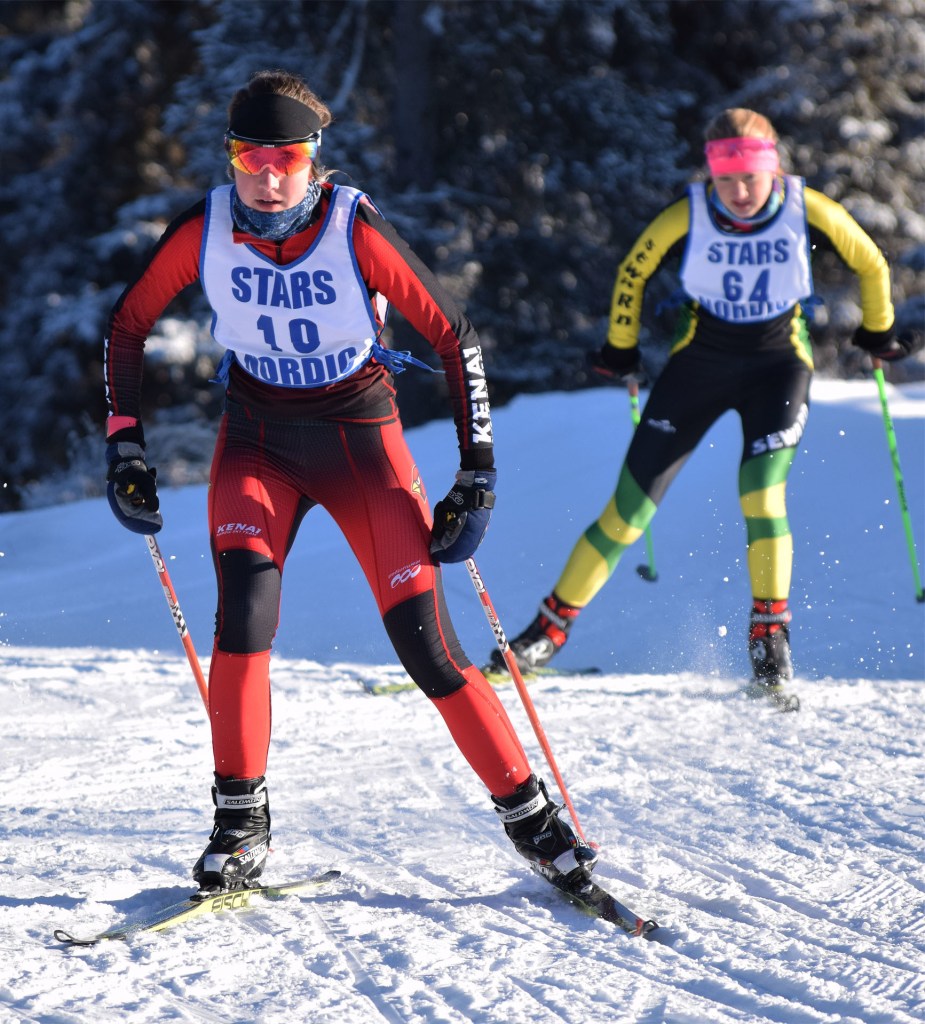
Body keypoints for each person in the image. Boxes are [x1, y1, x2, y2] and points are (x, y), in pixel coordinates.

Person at [103, 69, 597, 892]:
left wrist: (477, 473)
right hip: (258, 440)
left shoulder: (350, 226)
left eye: (285, 158)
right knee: (244, 616)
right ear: (229, 158)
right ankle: (239, 820)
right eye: (249, 156)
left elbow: (454, 335)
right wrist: (125, 446)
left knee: (426, 646)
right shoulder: (204, 228)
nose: (267, 176)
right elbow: (127, 324)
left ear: (313, 160)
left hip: (359, 438)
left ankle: (533, 821)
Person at [492, 107, 917, 711]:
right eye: (726, 181)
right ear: (709, 177)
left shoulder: (804, 208)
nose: (740, 193)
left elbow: (870, 260)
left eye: (752, 178)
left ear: (774, 170)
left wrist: (878, 333)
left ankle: (770, 640)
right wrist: (621, 345)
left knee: (762, 494)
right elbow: (632, 270)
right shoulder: (687, 215)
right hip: (700, 367)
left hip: (779, 367)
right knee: (627, 512)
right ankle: (545, 634)